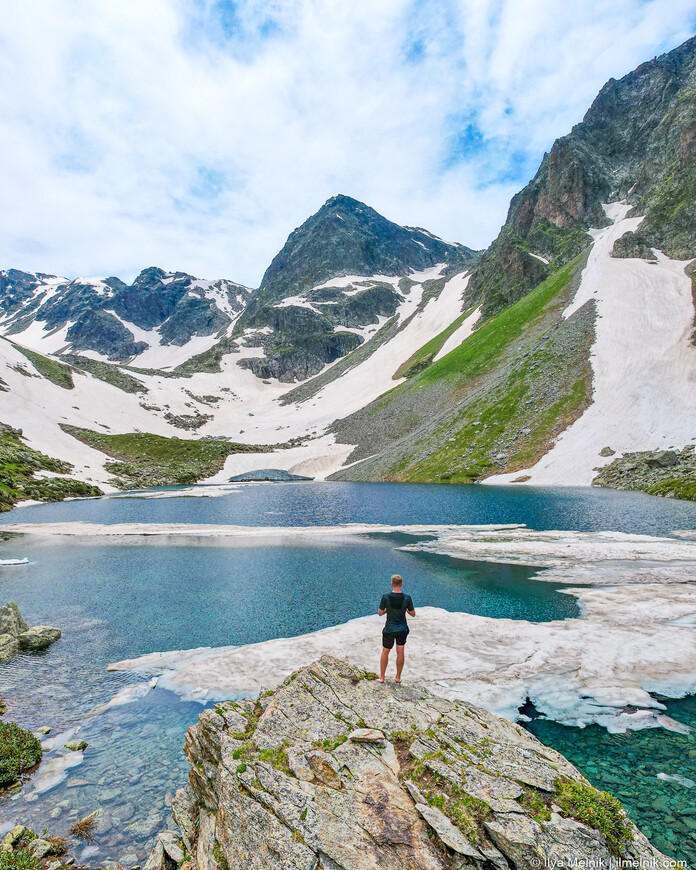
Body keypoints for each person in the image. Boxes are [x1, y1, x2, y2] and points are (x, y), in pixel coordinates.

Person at [378, 574, 415, 683]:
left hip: (389, 629)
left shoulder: (385, 597)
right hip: (402, 629)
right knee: (400, 652)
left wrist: (387, 610)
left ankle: (382, 677)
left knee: (385, 651)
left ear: (392, 584)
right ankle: (398, 677)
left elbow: (380, 613)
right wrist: (406, 610)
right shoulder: (407, 598)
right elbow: (413, 614)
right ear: (401, 584)